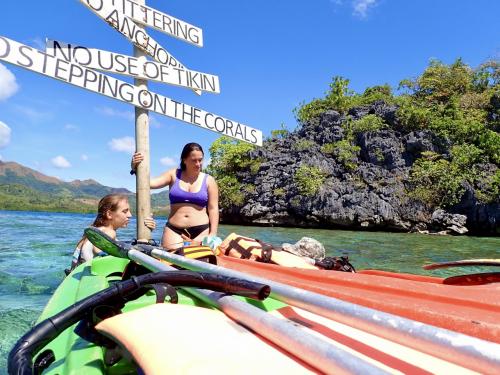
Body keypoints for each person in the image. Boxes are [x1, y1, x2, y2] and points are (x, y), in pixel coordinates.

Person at [131, 142, 219, 250]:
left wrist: (212, 233)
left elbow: (213, 208)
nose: (198, 164)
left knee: (198, 263)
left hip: (201, 230)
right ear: (184, 160)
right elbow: (149, 184)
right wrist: (135, 168)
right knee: (170, 262)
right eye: (194, 160)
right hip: (174, 230)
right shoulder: (173, 174)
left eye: (200, 160)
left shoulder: (209, 180)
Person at [68, 194, 156, 272]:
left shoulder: (97, 231)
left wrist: (138, 242)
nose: (130, 215)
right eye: (125, 211)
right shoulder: (109, 232)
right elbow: (100, 251)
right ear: (109, 214)